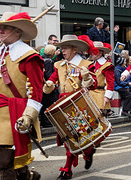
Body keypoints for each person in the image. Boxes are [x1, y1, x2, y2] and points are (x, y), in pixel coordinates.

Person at [0, 12, 43, 180]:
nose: (0, 31)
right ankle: (27, 177)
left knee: (4, 161)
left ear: (17, 32)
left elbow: (36, 90)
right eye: (0, 27)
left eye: (5, 28)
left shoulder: (29, 57)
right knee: (8, 159)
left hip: (11, 114)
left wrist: (28, 115)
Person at [43, 34, 98, 179]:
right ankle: (68, 168)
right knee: (69, 138)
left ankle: (86, 153)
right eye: (61, 48)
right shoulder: (59, 65)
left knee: (81, 137)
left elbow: (95, 84)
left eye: (65, 48)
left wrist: (87, 77)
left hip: (80, 106)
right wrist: (49, 84)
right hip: (63, 106)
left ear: (74, 49)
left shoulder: (85, 64)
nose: (62, 51)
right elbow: (53, 80)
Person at [89, 41, 115, 117]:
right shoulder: (90, 64)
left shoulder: (107, 66)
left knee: (99, 121)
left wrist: (107, 97)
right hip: (90, 94)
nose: (91, 54)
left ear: (100, 53)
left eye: (93, 52)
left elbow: (110, 82)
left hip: (100, 95)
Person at [39, 44, 59, 128]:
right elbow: (49, 75)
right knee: (49, 104)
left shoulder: (42, 59)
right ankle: (47, 122)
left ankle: (44, 121)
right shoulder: (49, 61)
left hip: (42, 86)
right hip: (48, 86)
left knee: (44, 104)